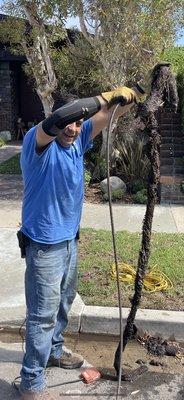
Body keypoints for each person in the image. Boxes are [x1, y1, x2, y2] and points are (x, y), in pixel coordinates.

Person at [18, 86, 143, 400]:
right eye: (69, 123)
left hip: (69, 240)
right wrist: (103, 95)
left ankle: (54, 351)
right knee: (42, 314)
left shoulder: (79, 137)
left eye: (78, 123)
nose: (73, 128)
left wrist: (135, 92)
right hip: (44, 245)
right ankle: (31, 382)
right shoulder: (38, 142)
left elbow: (111, 113)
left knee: (64, 302)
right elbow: (63, 116)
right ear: (55, 122)